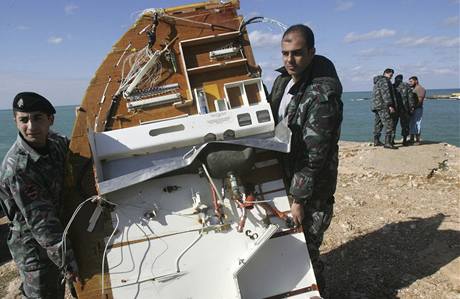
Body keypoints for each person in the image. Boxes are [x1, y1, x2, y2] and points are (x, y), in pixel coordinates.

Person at [268, 24, 343, 293]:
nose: (290, 60)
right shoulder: (283, 80)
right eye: (285, 53)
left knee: (306, 252)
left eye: (297, 53)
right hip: (287, 176)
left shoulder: (322, 95)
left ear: (312, 52)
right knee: (287, 246)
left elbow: (314, 155)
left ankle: (316, 292)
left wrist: (298, 200)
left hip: (311, 189)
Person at [0, 92, 79, 298]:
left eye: (38, 118)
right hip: (34, 251)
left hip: (58, 234)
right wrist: (68, 261)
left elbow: (79, 154)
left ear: (50, 119)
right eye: (23, 120)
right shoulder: (18, 168)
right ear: (15, 121)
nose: (31, 126)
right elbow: (43, 225)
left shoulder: (55, 142)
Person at [371, 68, 397, 149]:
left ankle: (376, 141)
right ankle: (387, 143)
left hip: (377, 105)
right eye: (390, 75)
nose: (391, 77)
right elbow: (385, 93)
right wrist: (390, 105)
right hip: (383, 106)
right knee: (389, 123)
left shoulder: (378, 81)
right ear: (386, 73)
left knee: (378, 124)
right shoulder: (384, 81)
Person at [393, 74, 417, 146]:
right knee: (405, 125)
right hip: (404, 109)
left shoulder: (392, 86)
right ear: (402, 79)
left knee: (393, 125)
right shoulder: (406, 85)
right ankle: (404, 140)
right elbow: (410, 98)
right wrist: (412, 107)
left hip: (395, 109)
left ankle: (391, 140)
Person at [408, 76, 426, 145]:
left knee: (417, 123)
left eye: (411, 81)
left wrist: (413, 108)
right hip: (414, 108)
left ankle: (418, 140)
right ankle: (412, 139)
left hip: (417, 109)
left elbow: (420, 101)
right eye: (409, 81)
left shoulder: (420, 89)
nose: (410, 83)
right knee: (412, 123)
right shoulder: (414, 88)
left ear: (416, 81)